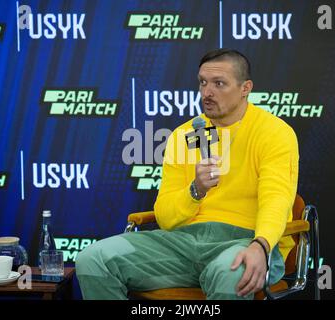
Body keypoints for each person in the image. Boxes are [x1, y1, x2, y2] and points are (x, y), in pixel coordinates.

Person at [76, 48, 299, 300]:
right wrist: (196, 190)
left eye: (219, 84)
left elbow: (277, 200)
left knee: (231, 270)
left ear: (245, 87)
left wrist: (261, 245)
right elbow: (166, 217)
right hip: (183, 244)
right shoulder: (187, 134)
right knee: (92, 259)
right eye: (203, 82)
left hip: (244, 241)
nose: (207, 92)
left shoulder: (274, 132)